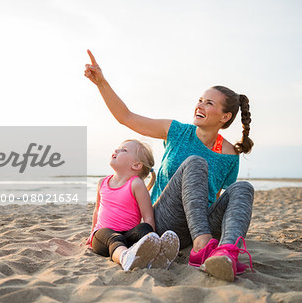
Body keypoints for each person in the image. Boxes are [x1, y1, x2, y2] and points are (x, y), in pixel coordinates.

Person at [84, 50, 254, 282]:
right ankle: (201, 246)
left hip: (200, 221)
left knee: (243, 188)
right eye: (200, 100)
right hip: (165, 220)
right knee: (195, 162)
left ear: (225, 117)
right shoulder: (177, 131)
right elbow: (126, 117)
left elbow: (222, 198)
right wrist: (101, 83)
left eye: (209, 103)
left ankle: (226, 253)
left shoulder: (230, 155)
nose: (200, 106)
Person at [87, 139, 180, 271]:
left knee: (144, 228)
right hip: (104, 237)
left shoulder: (136, 184)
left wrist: (150, 236)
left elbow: (148, 217)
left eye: (123, 150)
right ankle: (124, 257)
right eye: (118, 148)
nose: (117, 150)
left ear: (136, 165)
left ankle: (157, 254)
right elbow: (97, 211)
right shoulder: (102, 182)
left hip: (128, 236)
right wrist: (91, 234)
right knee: (113, 237)